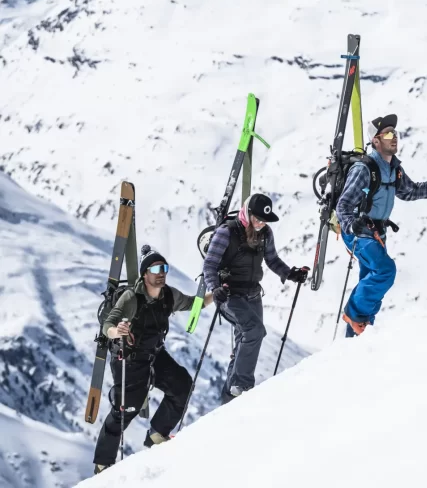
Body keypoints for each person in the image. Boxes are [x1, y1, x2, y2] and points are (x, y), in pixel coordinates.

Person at [336, 114, 427, 337]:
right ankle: (354, 315)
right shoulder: (364, 169)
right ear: (376, 141)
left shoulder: (394, 169)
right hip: (359, 232)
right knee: (384, 270)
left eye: (395, 134)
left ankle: (356, 338)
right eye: (388, 134)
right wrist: (353, 226)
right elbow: (343, 205)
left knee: (370, 280)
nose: (394, 138)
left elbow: (410, 191)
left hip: (376, 233)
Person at [93, 245, 204, 474]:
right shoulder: (131, 298)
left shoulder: (169, 296)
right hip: (130, 358)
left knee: (182, 385)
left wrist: (216, 295)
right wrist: (118, 331)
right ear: (145, 274)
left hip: (155, 354)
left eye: (164, 267)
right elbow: (108, 325)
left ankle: (156, 435)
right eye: (155, 268)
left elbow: (195, 303)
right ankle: (103, 464)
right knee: (125, 409)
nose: (161, 272)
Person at [203, 193, 309, 403]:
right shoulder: (227, 232)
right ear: (247, 213)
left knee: (244, 340)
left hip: (253, 294)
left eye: (264, 220)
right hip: (229, 295)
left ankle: (229, 399)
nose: (260, 223)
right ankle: (242, 387)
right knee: (254, 331)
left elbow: (272, 259)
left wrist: (290, 274)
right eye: (257, 218)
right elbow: (210, 265)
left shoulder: (265, 233)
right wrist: (215, 289)